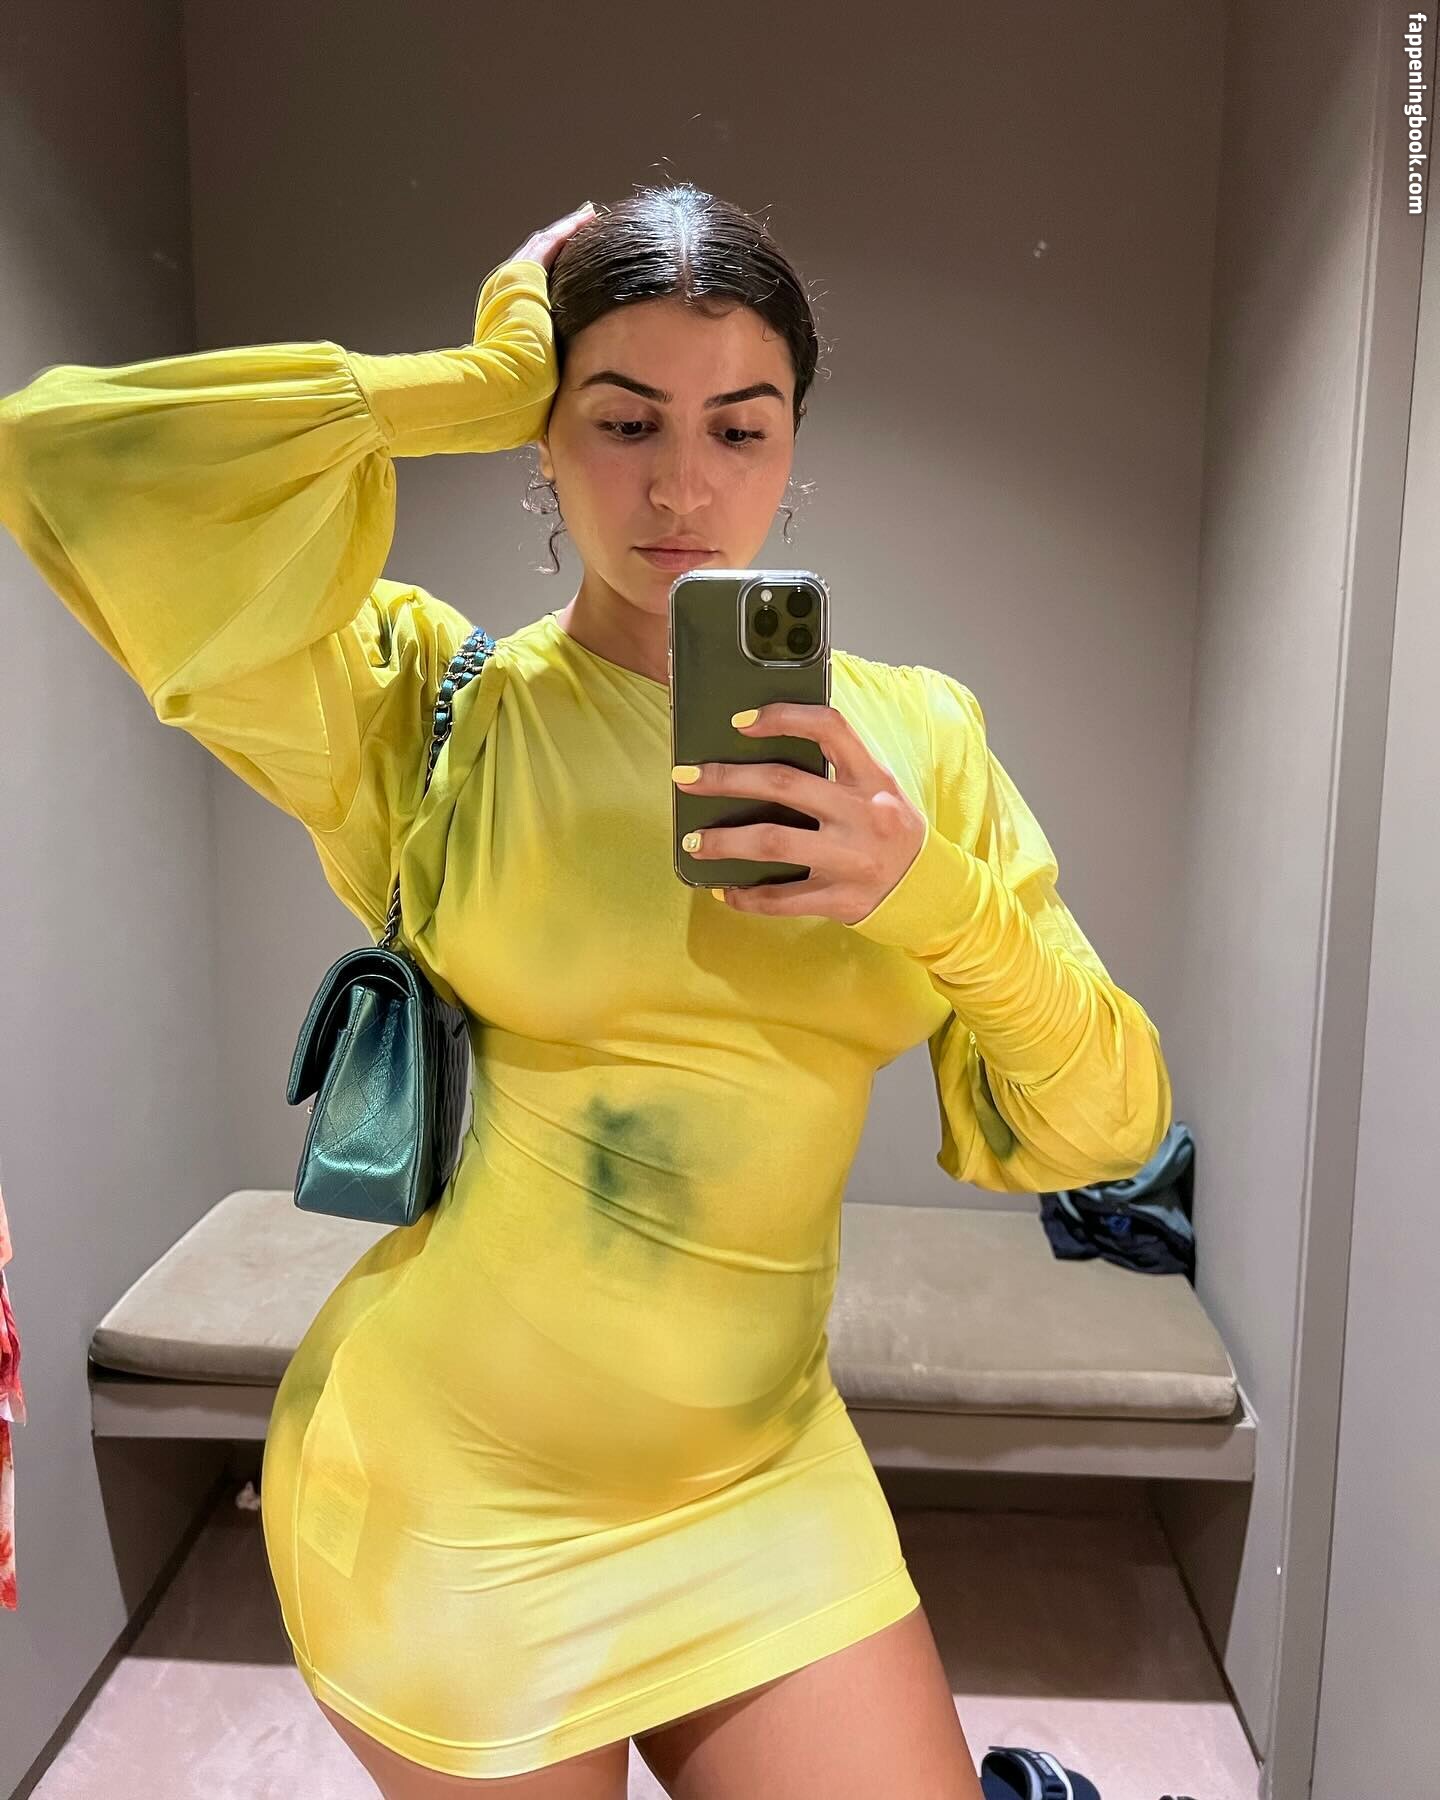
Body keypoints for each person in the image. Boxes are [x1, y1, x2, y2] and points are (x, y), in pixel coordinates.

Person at [0, 183, 1171, 1798]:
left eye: (740, 428)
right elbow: (66, 460)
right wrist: (466, 382)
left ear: (795, 445)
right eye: (620, 421)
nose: (682, 485)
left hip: (762, 1479)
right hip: (455, 1499)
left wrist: (935, 899)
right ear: (544, 443)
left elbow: (1110, 1122)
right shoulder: (431, 706)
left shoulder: (918, 748)